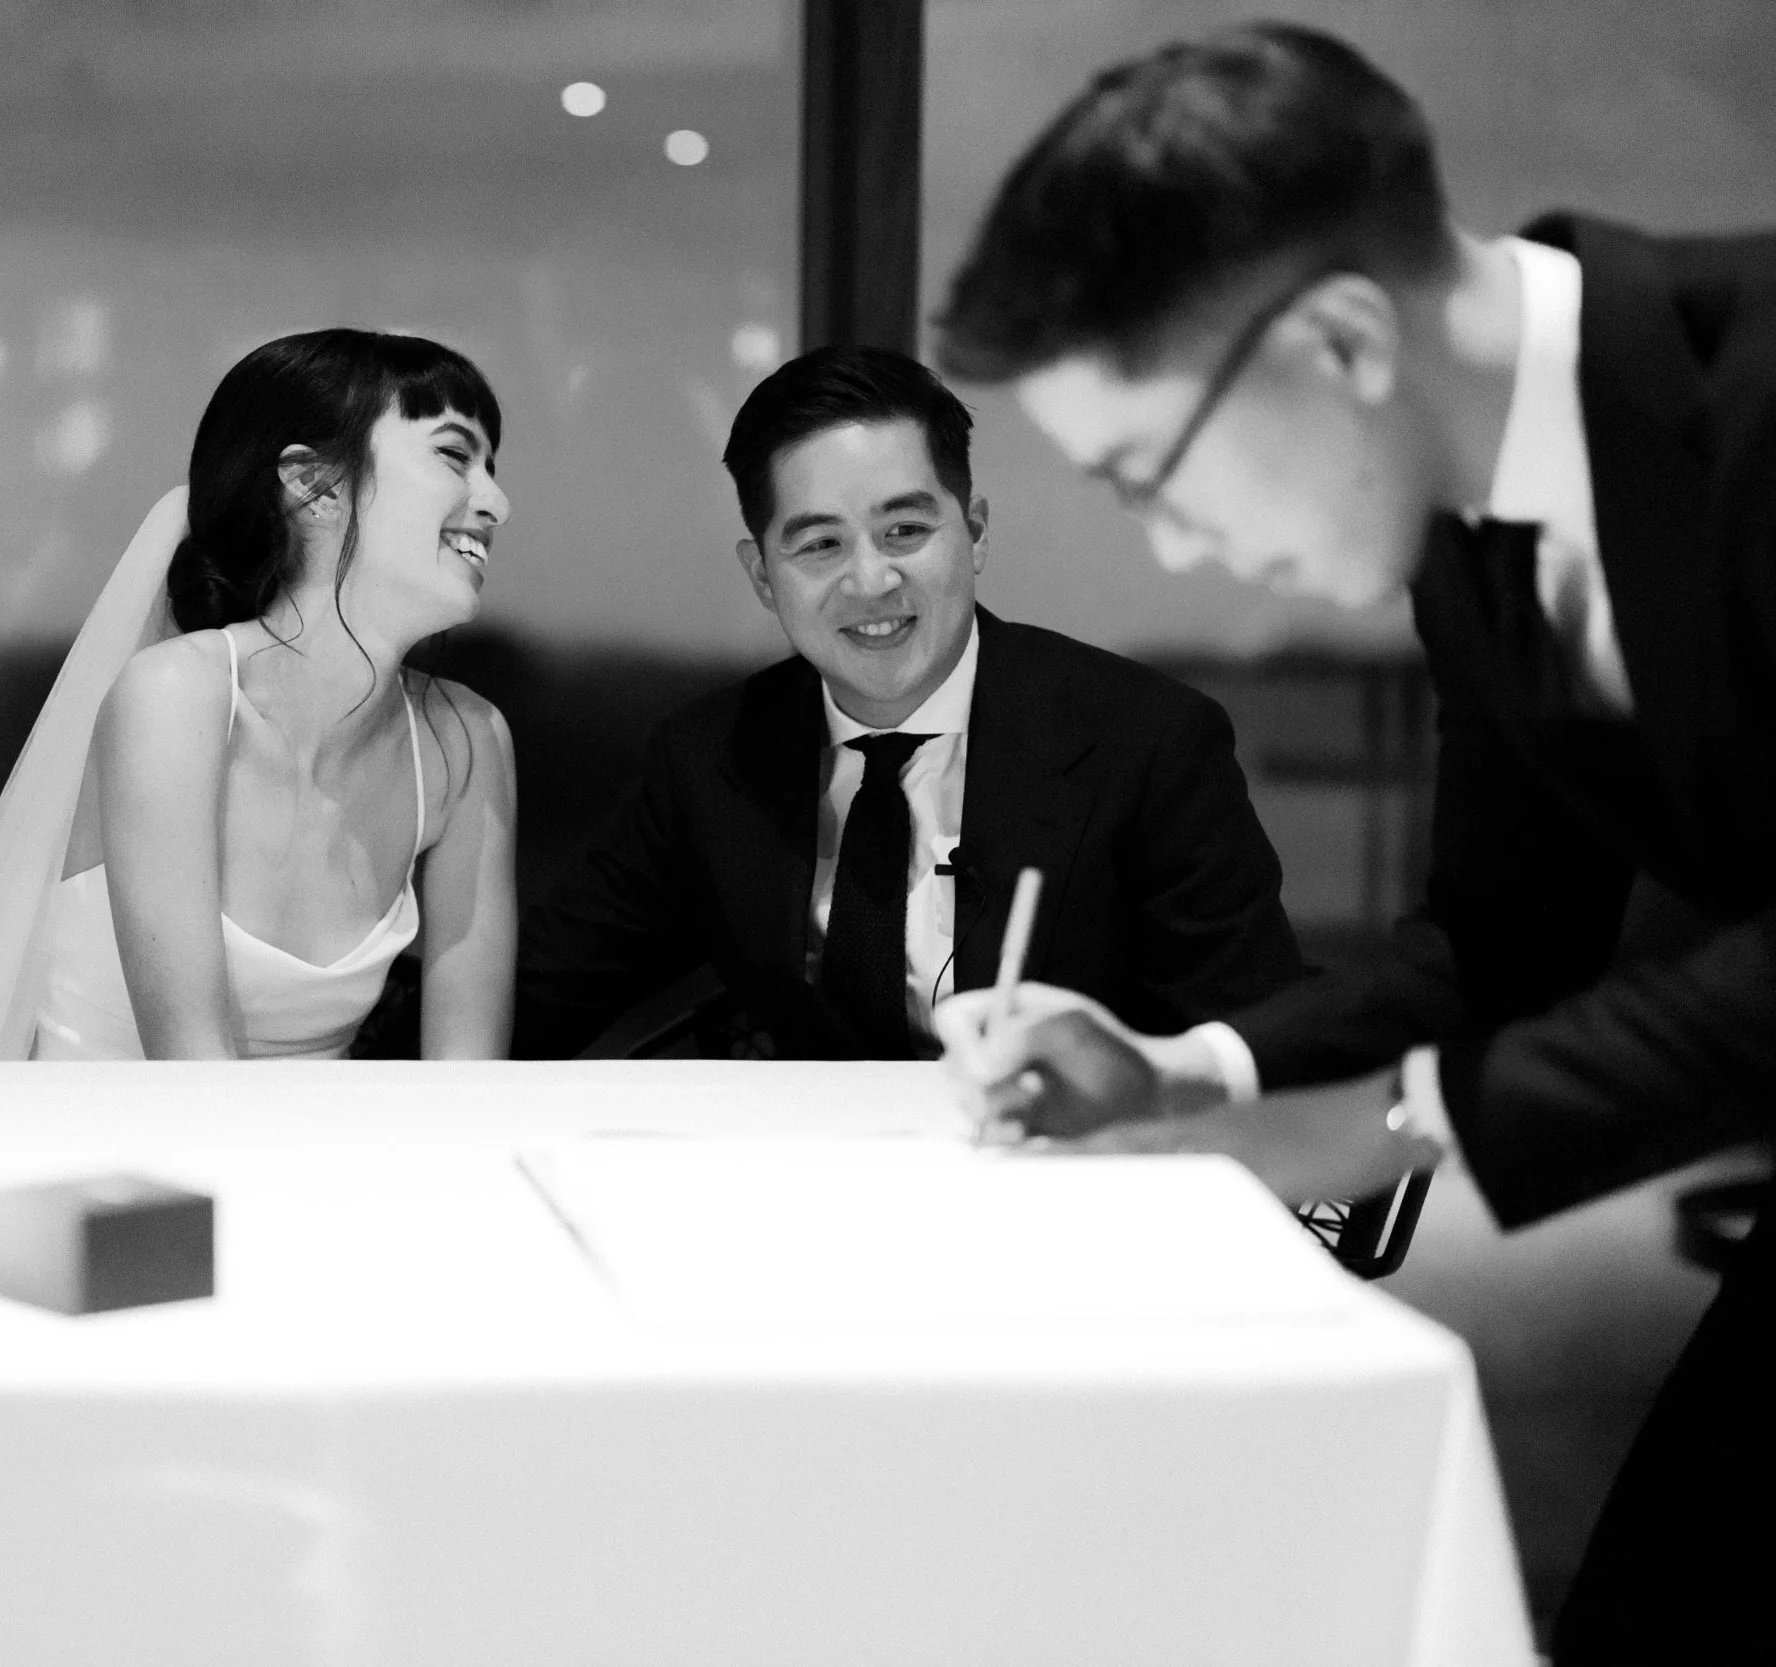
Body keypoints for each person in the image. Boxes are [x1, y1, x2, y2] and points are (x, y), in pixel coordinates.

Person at [929, 21, 1774, 1660]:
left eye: (1151, 474)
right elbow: (1502, 940)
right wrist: (1198, 1071)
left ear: (1339, 342)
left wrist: (1395, 1127)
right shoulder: (1468, 536)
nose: (1179, 547)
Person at [514, 344, 1302, 1061]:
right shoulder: (709, 760)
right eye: (820, 544)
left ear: (977, 533)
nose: (870, 581)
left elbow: (1254, 1048)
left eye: (904, 531)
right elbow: (539, 997)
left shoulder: (1146, 744)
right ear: (762, 574)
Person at [0, 329, 517, 1060]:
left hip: (315, 1166)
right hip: (104, 1158)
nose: (497, 502)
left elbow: (469, 1079)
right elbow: (193, 1071)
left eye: (492, 466)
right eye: (455, 456)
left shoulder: (467, 740)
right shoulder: (178, 698)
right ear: (313, 484)